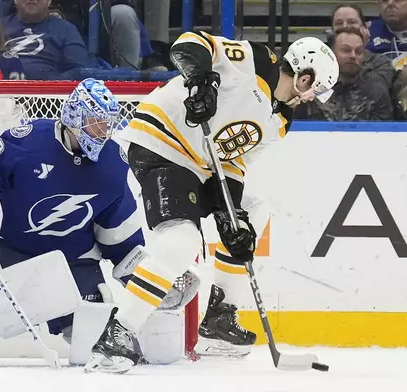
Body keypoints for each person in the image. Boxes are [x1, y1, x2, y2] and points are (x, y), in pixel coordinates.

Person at [0, 79, 195, 367]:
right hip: (9, 254)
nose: (100, 132)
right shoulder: (28, 140)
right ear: (72, 115)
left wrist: (152, 278)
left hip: (74, 263)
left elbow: (120, 238)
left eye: (106, 125)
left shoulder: (114, 163)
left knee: (93, 328)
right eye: (94, 122)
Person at [84, 33, 339, 374]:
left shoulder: (281, 121)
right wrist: (202, 80)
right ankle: (119, 333)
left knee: (252, 212)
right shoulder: (258, 61)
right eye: (316, 90)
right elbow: (190, 43)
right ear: (305, 78)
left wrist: (229, 216)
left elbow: (232, 162)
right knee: (180, 242)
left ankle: (219, 316)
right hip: (159, 144)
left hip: (199, 165)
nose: (313, 99)